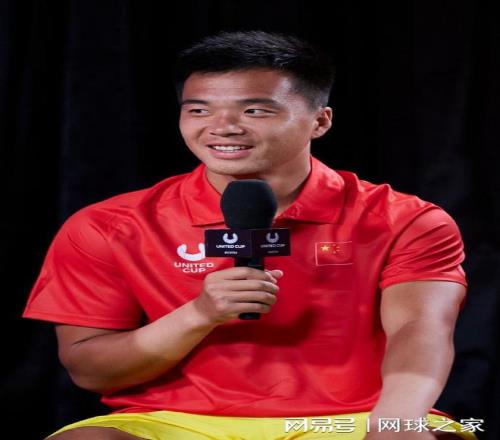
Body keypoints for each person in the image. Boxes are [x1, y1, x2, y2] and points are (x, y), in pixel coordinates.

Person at [23, 31, 478, 440]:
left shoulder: (406, 220)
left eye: (254, 110)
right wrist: (199, 314)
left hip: (350, 419)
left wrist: (395, 423)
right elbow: (91, 371)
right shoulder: (109, 225)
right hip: (173, 421)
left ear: (320, 121)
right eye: (198, 110)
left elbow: (420, 330)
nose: (222, 127)